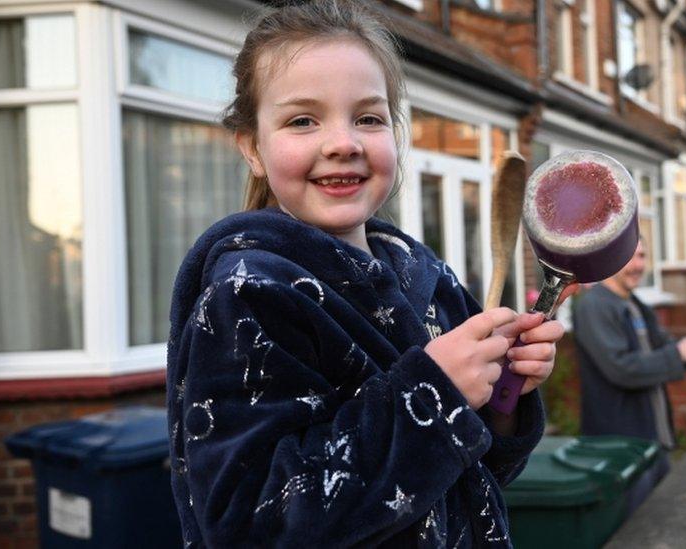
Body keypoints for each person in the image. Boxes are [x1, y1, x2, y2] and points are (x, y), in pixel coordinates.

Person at [166, 2, 567, 546]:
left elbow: (476, 477)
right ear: (252, 148)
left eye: (369, 118)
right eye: (302, 120)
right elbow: (247, 523)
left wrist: (504, 396)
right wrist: (434, 395)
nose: (343, 143)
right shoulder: (248, 296)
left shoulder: (429, 278)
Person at [572, 240, 686, 512]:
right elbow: (621, 369)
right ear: (609, 260)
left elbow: (667, 351)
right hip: (621, 449)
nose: (638, 266)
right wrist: (678, 354)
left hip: (653, 442)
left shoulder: (636, 305)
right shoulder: (594, 307)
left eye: (643, 256)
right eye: (629, 257)